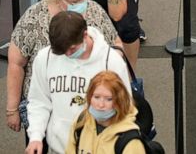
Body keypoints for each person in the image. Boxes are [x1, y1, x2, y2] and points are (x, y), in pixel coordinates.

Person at [6, 0, 120, 134]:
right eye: (75, 2)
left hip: (91, 107)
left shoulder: (94, 11)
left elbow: (116, 44)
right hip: (47, 108)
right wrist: (12, 110)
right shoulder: (34, 18)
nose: (82, 5)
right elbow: (16, 63)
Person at [25, 11, 131, 154]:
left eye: (72, 49)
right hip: (58, 149)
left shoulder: (111, 61)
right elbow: (39, 101)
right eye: (63, 51)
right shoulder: (45, 58)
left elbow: (125, 108)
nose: (68, 54)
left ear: (85, 35)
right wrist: (36, 137)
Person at [66, 71, 147, 154]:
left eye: (109, 99)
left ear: (120, 101)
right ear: (89, 97)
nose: (101, 105)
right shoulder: (81, 122)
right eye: (96, 97)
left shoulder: (131, 142)